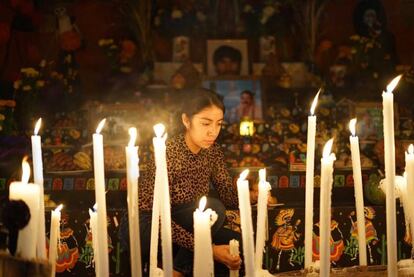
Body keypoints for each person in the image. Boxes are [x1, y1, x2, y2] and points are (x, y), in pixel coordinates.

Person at [138, 88, 242, 276]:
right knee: (214, 208)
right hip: (151, 226)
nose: (213, 132)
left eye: (219, 124)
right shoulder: (169, 152)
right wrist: (208, 249)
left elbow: (228, 197)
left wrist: (251, 195)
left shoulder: (212, 151)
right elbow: (157, 217)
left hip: (192, 223)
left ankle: (181, 267)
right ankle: (178, 271)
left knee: (235, 242)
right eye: (205, 123)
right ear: (186, 120)